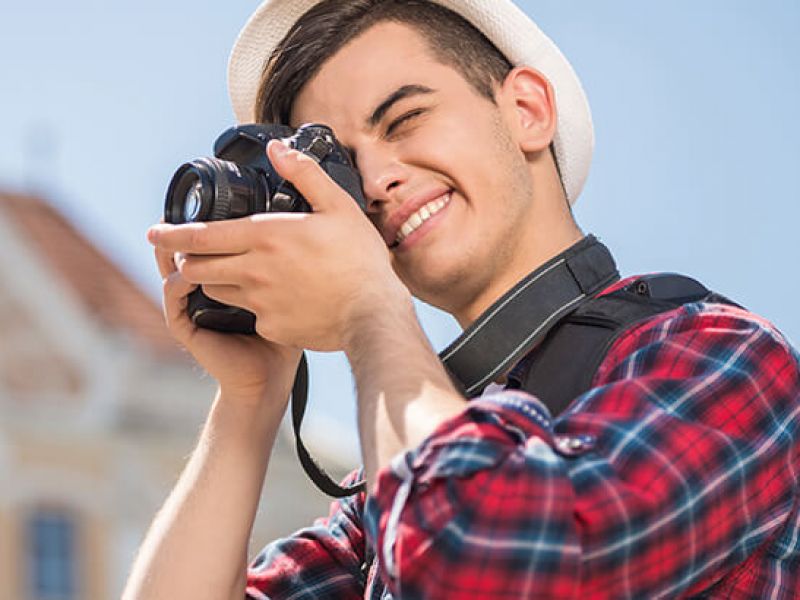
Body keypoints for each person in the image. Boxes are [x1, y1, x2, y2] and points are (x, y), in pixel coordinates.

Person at [123, 0, 800, 598]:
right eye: (344, 167)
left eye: (405, 119)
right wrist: (250, 399)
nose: (376, 181)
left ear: (527, 110)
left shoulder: (721, 357)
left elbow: (484, 566)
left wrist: (368, 307)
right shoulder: (388, 494)